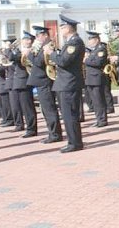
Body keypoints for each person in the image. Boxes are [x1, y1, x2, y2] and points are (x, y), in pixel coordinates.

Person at [44, 15, 86, 152]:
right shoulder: (69, 42)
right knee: (67, 114)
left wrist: (51, 53)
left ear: (68, 28)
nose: (60, 29)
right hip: (64, 82)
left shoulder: (75, 42)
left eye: (62, 27)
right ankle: (72, 141)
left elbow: (63, 61)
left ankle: (75, 143)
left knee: (70, 115)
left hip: (69, 83)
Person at [27, 25, 63, 143]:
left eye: (39, 35)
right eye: (37, 35)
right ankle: (52, 132)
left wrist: (30, 53)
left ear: (45, 35)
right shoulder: (41, 47)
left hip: (45, 80)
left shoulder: (48, 46)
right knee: (46, 109)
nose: (37, 38)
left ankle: (55, 134)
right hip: (41, 81)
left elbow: (38, 62)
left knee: (49, 108)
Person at [12, 31, 38, 138]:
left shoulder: (31, 51)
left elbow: (14, 58)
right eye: (24, 39)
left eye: (28, 40)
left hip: (25, 81)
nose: (26, 41)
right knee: (22, 106)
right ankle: (28, 127)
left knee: (28, 107)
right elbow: (11, 58)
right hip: (19, 81)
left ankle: (31, 128)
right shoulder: (21, 51)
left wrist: (12, 50)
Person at [83, 30, 108, 127]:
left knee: (99, 100)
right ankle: (98, 119)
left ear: (96, 39)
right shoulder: (94, 50)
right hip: (90, 78)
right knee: (94, 100)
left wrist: (86, 60)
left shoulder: (101, 49)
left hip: (97, 78)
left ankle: (102, 119)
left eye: (91, 39)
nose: (89, 41)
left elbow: (98, 62)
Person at [2, 37, 24, 132]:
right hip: (10, 81)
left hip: (14, 80)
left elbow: (11, 59)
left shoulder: (15, 52)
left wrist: (8, 50)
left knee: (16, 105)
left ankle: (19, 124)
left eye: (7, 43)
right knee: (13, 105)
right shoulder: (9, 53)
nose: (5, 46)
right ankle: (17, 123)